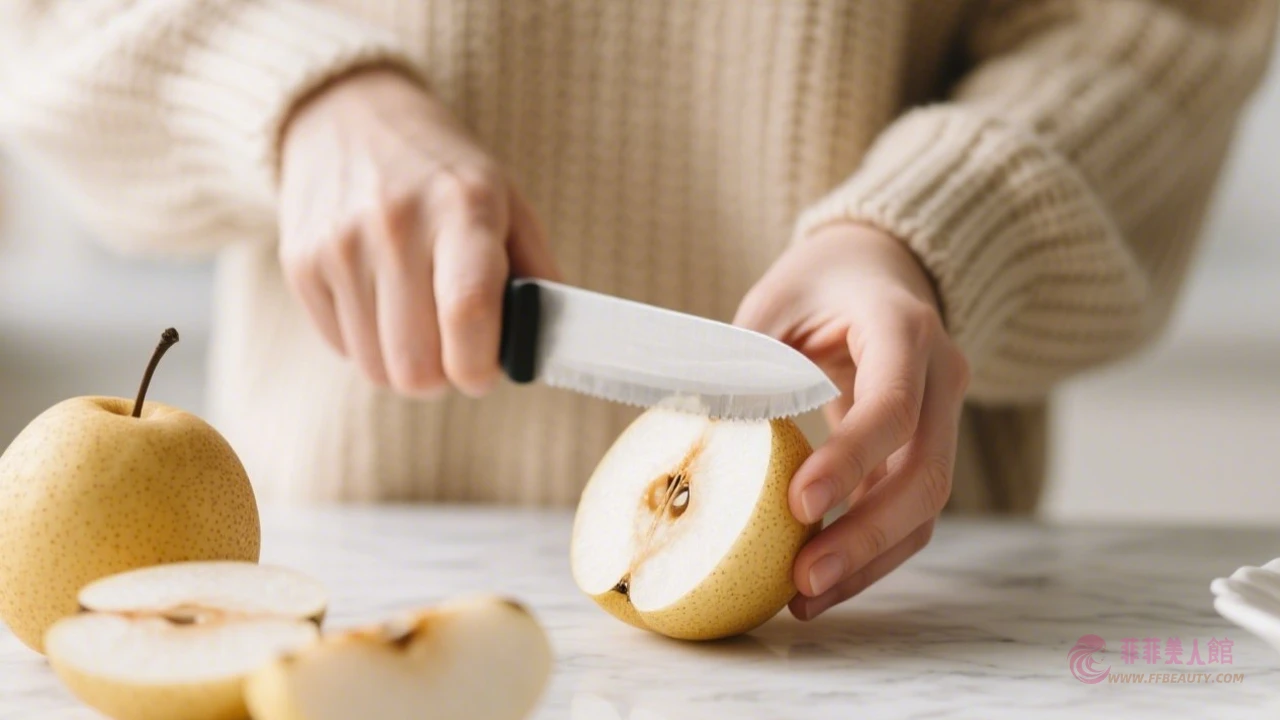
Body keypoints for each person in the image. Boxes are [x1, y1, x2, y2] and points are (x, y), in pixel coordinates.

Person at [0, 0, 1274, 621]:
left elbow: (1156, 26)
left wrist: (936, 223)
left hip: (898, 624)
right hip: (338, 581)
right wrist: (287, 92)